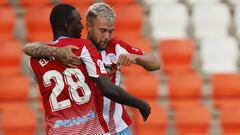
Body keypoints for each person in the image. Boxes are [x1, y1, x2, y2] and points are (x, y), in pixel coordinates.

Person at [24, 2, 159, 135]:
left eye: (111, 31)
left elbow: (156, 63)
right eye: (102, 31)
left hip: (116, 127)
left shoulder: (116, 46)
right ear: (89, 26)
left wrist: (136, 58)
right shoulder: (80, 48)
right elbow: (107, 88)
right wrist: (56, 52)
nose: (107, 36)